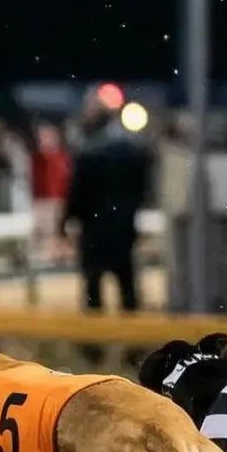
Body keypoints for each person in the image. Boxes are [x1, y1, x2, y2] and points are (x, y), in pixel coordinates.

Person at [63, 104, 150, 313]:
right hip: (123, 225)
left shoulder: (88, 152)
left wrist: (66, 219)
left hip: (94, 227)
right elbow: (142, 189)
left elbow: (77, 191)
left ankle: (93, 342)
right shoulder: (133, 151)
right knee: (127, 284)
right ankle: (134, 338)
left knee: (93, 287)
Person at [29, 122, 72, 264]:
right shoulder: (37, 159)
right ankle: (50, 258)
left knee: (62, 231)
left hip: (60, 200)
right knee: (46, 232)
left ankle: (61, 255)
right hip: (43, 201)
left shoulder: (63, 157)